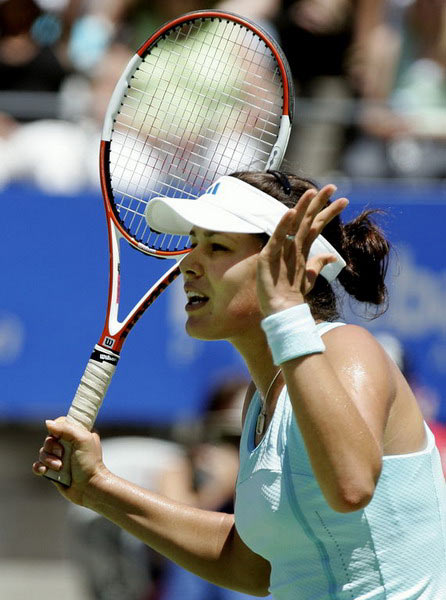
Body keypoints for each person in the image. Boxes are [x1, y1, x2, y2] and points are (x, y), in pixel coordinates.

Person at [34, 170, 446, 598]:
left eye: (217, 246)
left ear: (288, 261)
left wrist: (286, 310)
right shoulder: (262, 397)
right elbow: (253, 568)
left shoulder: (348, 351)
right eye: (194, 243)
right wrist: (98, 487)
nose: (188, 263)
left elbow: (351, 486)